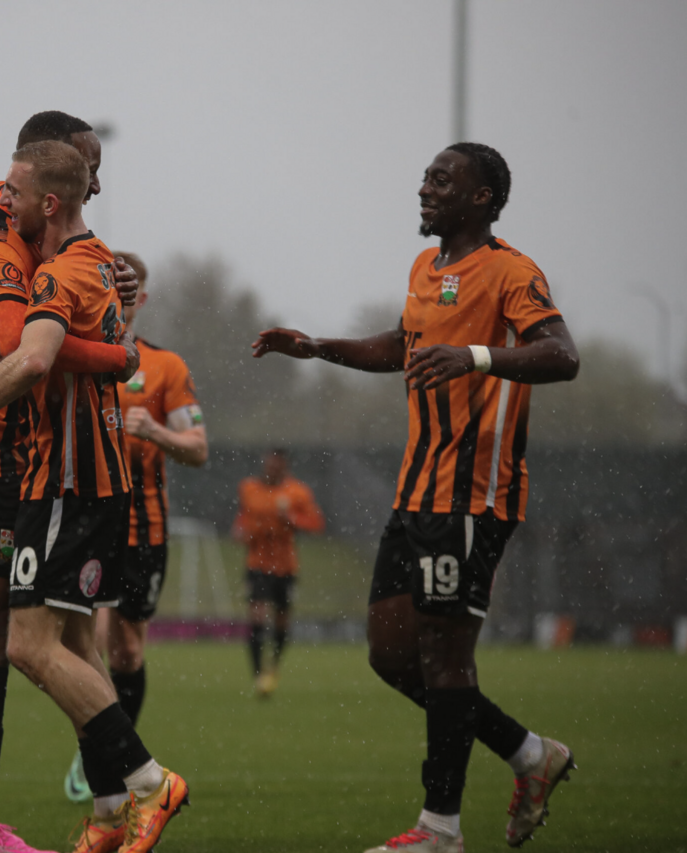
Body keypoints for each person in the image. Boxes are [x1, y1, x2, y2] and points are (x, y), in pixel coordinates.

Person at [252, 142, 579, 852]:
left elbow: (562, 354)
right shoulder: (425, 269)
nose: (425, 188)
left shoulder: (512, 271)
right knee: (391, 654)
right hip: (417, 491)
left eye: (442, 179)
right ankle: (529, 754)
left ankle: (440, 829)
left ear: (482, 197)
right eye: (426, 177)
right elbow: (404, 346)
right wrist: (318, 347)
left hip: (473, 495)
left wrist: (476, 357)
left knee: (445, 656)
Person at [0, 140, 188, 853]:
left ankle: (140, 782)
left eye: (16, 193)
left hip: (59, 479)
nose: (5, 201)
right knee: (68, 642)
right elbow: (25, 322)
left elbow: (28, 354)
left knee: (19, 643)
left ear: (47, 201)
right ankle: (107, 811)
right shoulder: (82, 256)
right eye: (90, 166)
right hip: (81, 479)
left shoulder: (64, 267)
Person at [62, 253, 209, 810]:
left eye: (129, 290)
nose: (120, 298)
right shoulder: (73, 352)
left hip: (143, 527)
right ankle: (103, 749)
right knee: (87, 640)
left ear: (140, 298)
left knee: (126, 650)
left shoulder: (165, 366)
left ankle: (112, 749)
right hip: (84, 521)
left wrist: (157, 433)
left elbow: (198, 448)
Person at [232, 449, 324, 697]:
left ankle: (273, 665)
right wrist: (240, 529)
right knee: (257, 617)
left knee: (281, 620)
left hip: (285, 566)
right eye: (269, 464)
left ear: (285, 467)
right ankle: (258, 675)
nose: (272, 469)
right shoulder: (249, 488)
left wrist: (292, 519)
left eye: (277, 465)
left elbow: (316, 523)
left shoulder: (297, 492)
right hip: (257, 564)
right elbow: (244, 516)